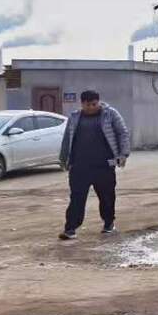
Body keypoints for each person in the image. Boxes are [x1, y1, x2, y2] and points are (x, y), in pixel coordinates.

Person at [58, 90, 130, 239]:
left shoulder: (110, 114)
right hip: (79, 166)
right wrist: (64, 158)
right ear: (82, 103)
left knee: (107, 197)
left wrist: (124, 154)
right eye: (87, 104)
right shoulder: (75, 117)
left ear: (98, 102)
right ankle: (70, 229)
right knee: (77, 198)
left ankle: (108, 223)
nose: (91, 107)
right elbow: (67, 138)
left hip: (104, 165)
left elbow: (122, 133)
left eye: (94, 104)